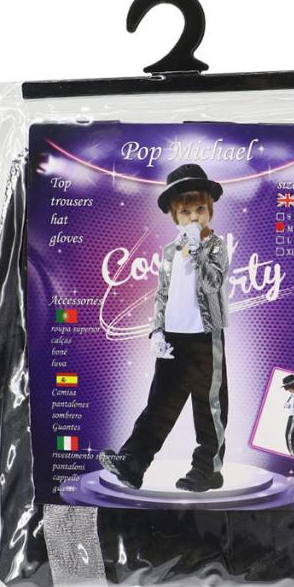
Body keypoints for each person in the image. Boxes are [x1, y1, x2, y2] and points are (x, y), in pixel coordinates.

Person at [99, 163, 230, 492]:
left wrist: (198, 251)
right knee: (160, 403)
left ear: (209, 210)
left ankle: (207, 469)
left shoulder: (216, 246)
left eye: (200, 209)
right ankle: (133, 463)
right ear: (175, 216)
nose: (194, 217)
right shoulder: (170, 252)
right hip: (173, 337)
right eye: (186, 211)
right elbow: (162, 295)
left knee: (208, 404)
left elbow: (213, 283)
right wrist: (157, 331)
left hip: (205, 336)